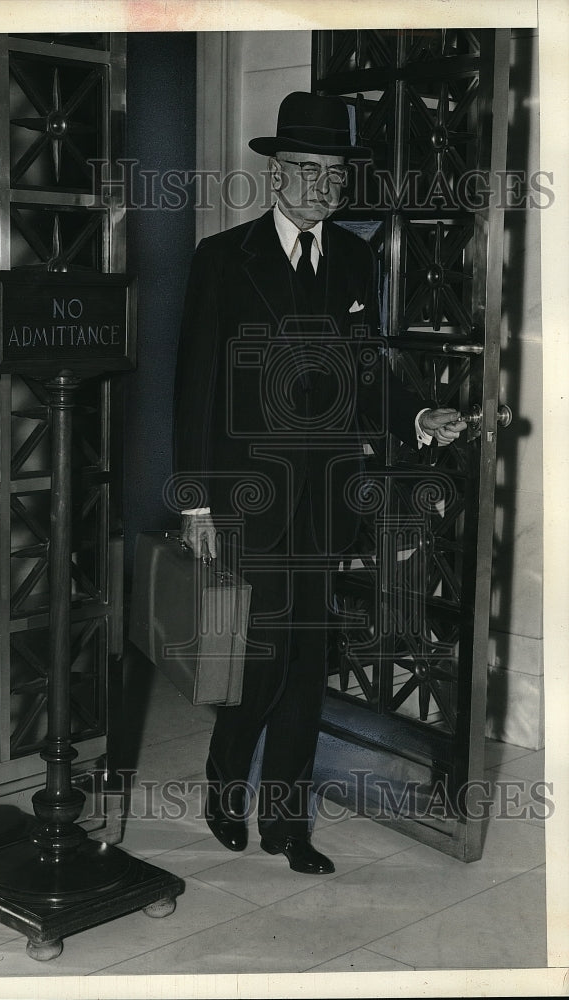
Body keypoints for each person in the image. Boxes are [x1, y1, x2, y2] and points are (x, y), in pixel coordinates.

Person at [172, 92, 465, 875]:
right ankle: (226, 783)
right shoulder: (221, 258)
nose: (321, 187)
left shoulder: (355, 260)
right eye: (306, 170)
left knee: (307, 662)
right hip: (246, 495)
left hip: (327, 496)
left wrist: (416, 416)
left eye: (334, 175)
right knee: (258, 656)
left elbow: (369, 371)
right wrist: (195, 500)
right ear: (275, 174)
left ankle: (287, 824)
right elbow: (194, 386)